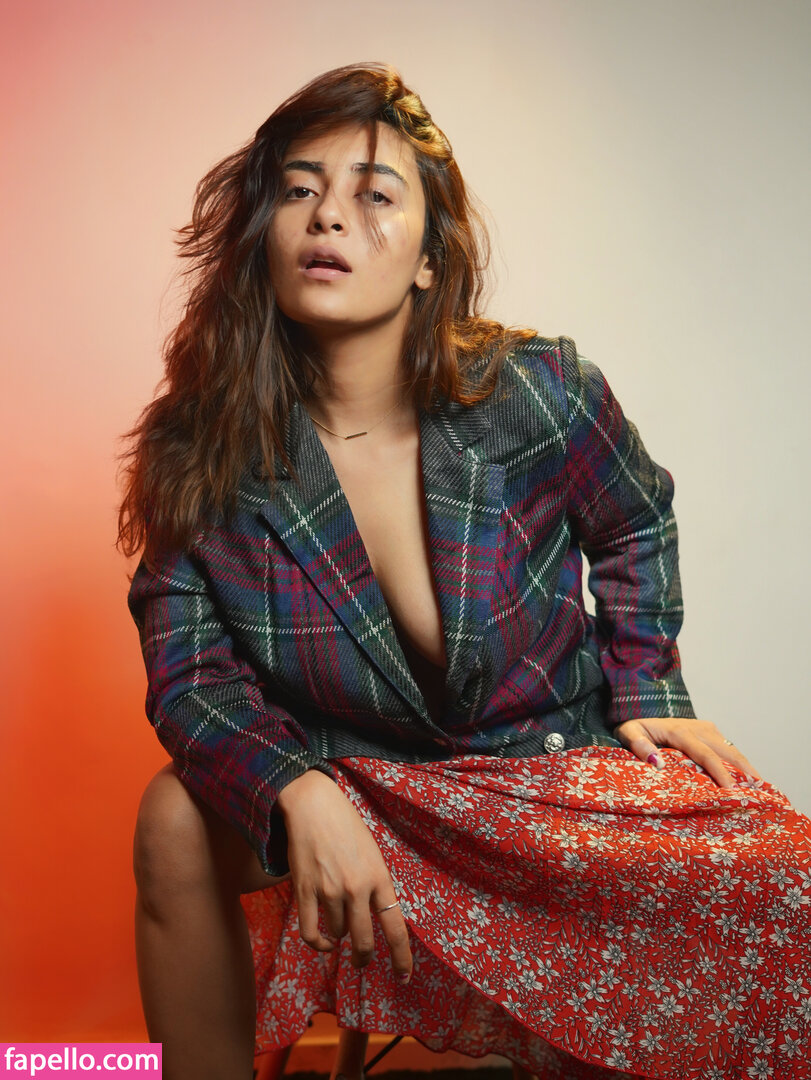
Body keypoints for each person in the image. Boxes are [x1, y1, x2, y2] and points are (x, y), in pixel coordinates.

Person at [119, 63, 811, 1080]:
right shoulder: (201, 448)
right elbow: (188, 676)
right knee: (174, 812)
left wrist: (647, 684)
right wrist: (297, 788)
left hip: (547, 765)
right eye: (300, 189)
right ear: (263, 230)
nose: (328, 216)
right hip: (360, 775)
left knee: (786, 872)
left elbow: (634, 518)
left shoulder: (539, 390)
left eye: (374, 195)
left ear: (429, 261)